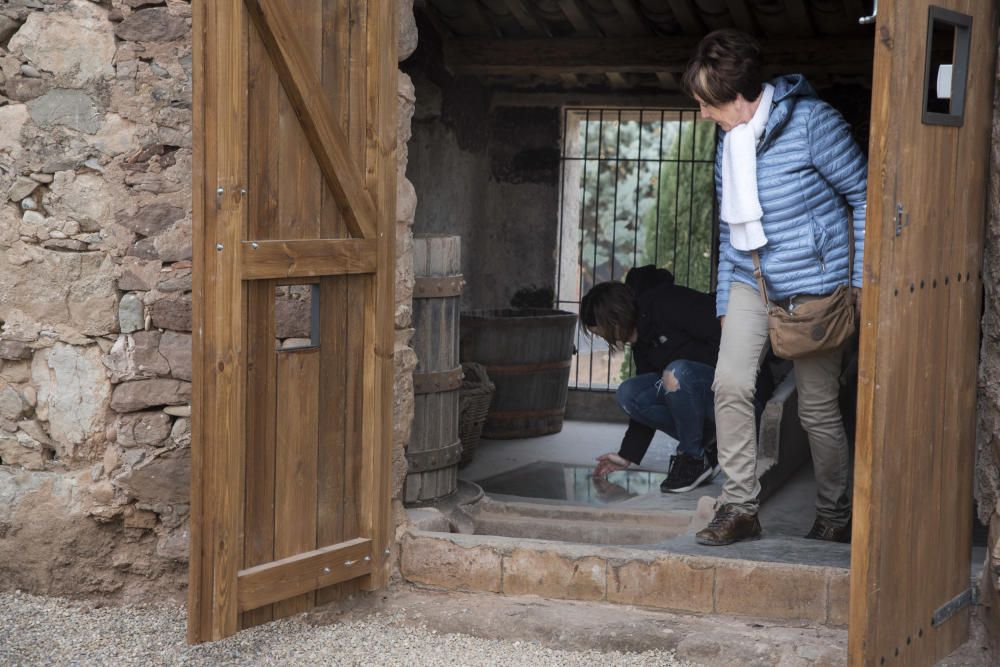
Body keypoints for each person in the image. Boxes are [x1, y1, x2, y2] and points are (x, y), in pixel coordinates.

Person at [681, 29, 867, 546]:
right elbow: (728, 230)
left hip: (815, 285)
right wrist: (725, 300)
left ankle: (834, 513)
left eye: (707, 103)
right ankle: (740, 507)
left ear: (738, 95)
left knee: (816, 409)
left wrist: (856, 283)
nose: (703, 114)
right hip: (751, 278)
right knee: (730, 384)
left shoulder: (812, 123)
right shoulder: (729, 142)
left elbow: (863, 196)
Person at [581, 265, 722, 493]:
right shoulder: (641, 341)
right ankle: (707, 445)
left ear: (614, 319)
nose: (607, 339)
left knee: (675, 373)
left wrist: (689, 377)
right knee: (629, 393)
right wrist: (627, 454)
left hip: (732, 396)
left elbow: (723, 334)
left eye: (603, 332)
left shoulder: (667, 302)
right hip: (704, 406)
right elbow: (647, 399)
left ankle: (692, 457)